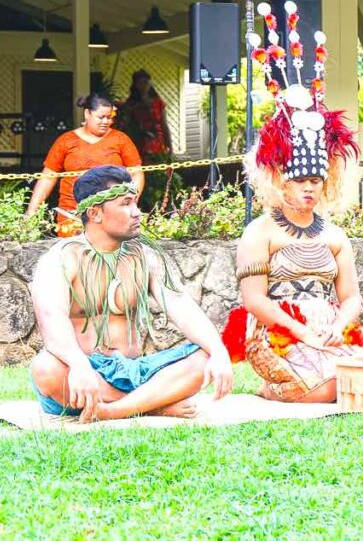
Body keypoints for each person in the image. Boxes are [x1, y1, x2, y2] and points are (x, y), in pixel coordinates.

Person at [221, 2, 363, 403]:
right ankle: (276, 387)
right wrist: (302, 333)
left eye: (315, 181)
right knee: (324, 390)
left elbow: (351, 295)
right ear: (277, 182)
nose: (309, 189)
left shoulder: (335, 235)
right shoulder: (259, 234)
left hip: (329, 328)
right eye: (299, 180)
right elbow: (254, 300)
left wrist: (339, 324)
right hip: (279, 333)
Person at [28, 165, 234, 422]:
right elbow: (51, 320)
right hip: (84, 375)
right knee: (45, 368)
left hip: (135, 372)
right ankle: (152, 405)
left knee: (203, 357)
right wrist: (79, 365)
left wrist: (219, 351)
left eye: (135, 203)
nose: (137, 212)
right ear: (95, 213)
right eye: (126, 204)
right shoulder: (62, 258)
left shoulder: (144, 257)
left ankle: (114, 410)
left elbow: (181, 306)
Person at [25, 92, 143, 238]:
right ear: (87, 113)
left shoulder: (121, 139)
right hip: (71, 214)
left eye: (109, 117)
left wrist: (128, 203)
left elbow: (137, 173)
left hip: (111, 215)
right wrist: (31, 214)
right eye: (101, 117)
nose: (106, 122)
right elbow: (47, 178)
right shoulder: (66, 141)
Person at [117, 69, 172, 158]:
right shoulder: (131, 104)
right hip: (139, 144)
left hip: (158, 144)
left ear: (150, 83)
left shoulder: (158, 102)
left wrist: (169, 145)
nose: (143, 85)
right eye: (140, 83)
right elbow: (126, 125)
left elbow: (164, 125)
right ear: (135, 85)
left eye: (146, 82)